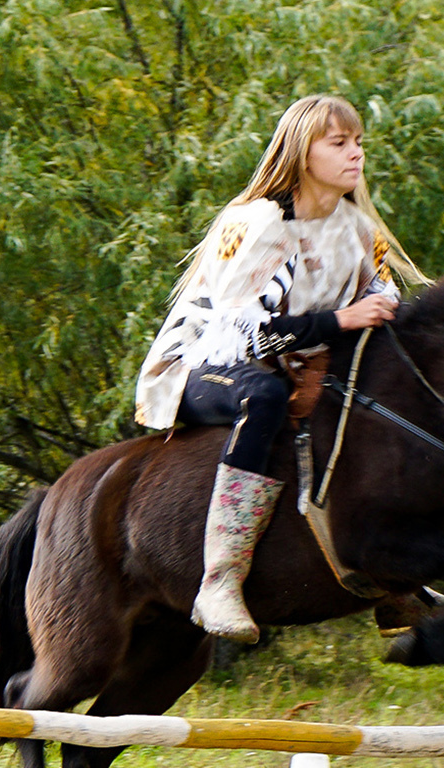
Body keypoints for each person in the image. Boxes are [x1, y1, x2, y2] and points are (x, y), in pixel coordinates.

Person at [134, 94, 423, 643]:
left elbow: (379, 310)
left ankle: (395, 576)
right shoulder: (257, 223)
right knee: (261, 397)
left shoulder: (361, 231)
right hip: (202, 365)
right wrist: (342, 320)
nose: (355, 154)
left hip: (296, 364)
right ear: (302, 152)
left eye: (358, 142)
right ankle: (219, 579)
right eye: (338, 143)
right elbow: (243, 335)